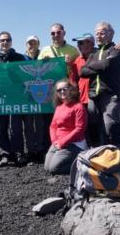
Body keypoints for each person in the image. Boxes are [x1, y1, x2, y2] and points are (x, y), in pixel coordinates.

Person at [80, 21, 120, 150]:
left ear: (111, 33)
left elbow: (108, 65)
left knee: (111, 125)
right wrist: (101, 65)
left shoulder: (118, 49)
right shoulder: (93, 54)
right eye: (96, 33)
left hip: (110, 94)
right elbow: (83, 72)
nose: (98, 36)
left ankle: (116, 156)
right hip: (93, 95)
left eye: (102, 33)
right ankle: (96, 154)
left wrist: (95, 66)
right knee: (93, 126)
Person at [38, 23, 79, 155]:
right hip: (50, 91)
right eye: (53, 33)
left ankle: (69, 146)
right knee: (50, 121)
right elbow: (37, 71)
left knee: (68, 119)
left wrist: (70, 63)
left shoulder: (73, 50)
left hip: (67, 91)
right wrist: (42, 63)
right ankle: (49, 148)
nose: (55, 35)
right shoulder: (44, 50)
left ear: (64, 33)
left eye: (58, 32)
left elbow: (79, 70)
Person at [0, 31, 28, 166]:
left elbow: (26, 76)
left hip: (16, 98)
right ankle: (5, 154)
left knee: (16, 127)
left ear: (11, 42)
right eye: (2, 40)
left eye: (7, 40)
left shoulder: (19, 58)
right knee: (1, 127)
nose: (4, 42)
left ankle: (18, 153)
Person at [44, 79, 87, 174]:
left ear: (71, 90)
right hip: (58, 143)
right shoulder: (59, 107)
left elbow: (79, 129)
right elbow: (53, 126)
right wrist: (55, 141)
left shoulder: (78, 107)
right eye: (59, 90)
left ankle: (84, 165)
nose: (62, 91)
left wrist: (62, 142)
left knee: (54, 169)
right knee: (47, 167)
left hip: (74, 144)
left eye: (65, 89)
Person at [23, 35, 47, 162]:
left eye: (34, 43)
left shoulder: (44, 57)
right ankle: (31, 150)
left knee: (40, 124)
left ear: (38, 44)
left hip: (40, 96)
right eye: (29, 43)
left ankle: (40, 149)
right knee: (28, 125)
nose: (32, 45)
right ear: (26, 45)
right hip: (27, 97)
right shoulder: (21, 58)